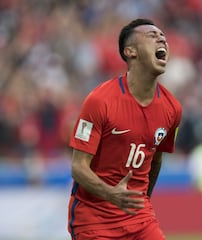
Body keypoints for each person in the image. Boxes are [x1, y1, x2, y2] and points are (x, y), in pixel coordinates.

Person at [67, 18, 182, 240]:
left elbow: (156, 159)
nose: (162, 39)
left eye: (163, 37)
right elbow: (78, 167)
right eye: (151, 35)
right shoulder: (100, 101)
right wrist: (112, 194)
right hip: (94, 219)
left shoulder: (172, 109)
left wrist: (142, 200)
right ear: (131, 52)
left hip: (139, 217)